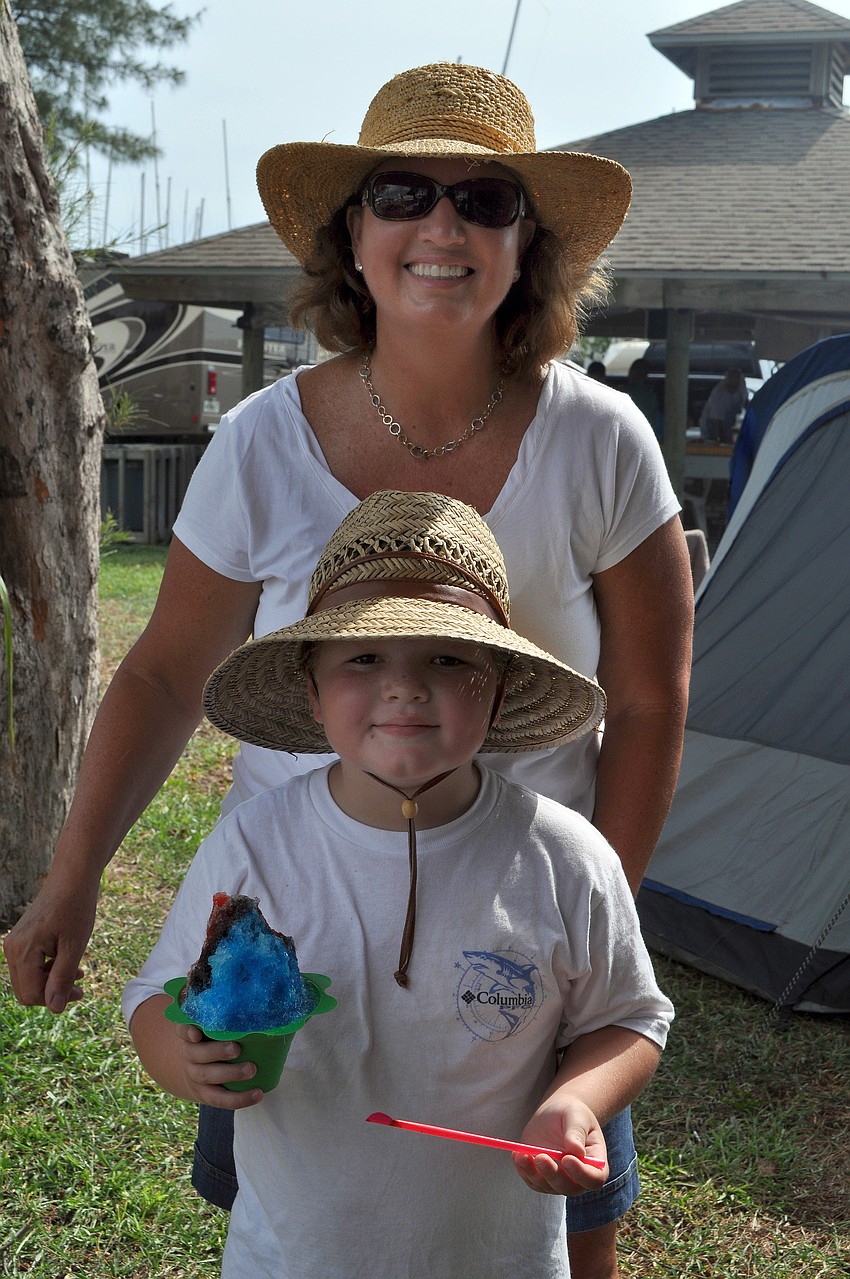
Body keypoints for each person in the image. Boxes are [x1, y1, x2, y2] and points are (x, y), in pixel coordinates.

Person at [4, 62, 693, 1279]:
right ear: (352, 235)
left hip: (524, 932)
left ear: (526, 244)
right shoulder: (261, 441)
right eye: (402, 192)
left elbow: (647, 701)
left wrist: (596, 927)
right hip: (298, 918)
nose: (442, 226)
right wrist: (71, 880)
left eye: (484, 200)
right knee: (301, 1211)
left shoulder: (602, 441)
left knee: (564, 1235)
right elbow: (166, 675)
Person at [123, 490, 674, 1279]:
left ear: (502, 688)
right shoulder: (255, 841)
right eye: (363, 657)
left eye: (448, 658)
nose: (405, 687)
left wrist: (578, 1099)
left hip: (499, 1258)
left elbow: (631, 1017)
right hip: (290, 1258)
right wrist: (180, 1060)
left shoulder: (566, 857)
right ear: (312, 690)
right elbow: (153, 991)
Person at [698, 367, 748, 443]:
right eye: (732, 378)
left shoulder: (741, 388)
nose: (736, 381)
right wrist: (721, 440)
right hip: (712, 427)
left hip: (730, 423)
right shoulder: (719, 394)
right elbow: (717, 420)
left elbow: (745, 403)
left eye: (738, 378)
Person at [624, 358, 661, 439]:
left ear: (631, 371)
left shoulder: (623, 394)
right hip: (646, 439)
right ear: (646, 375)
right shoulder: (652, 397)